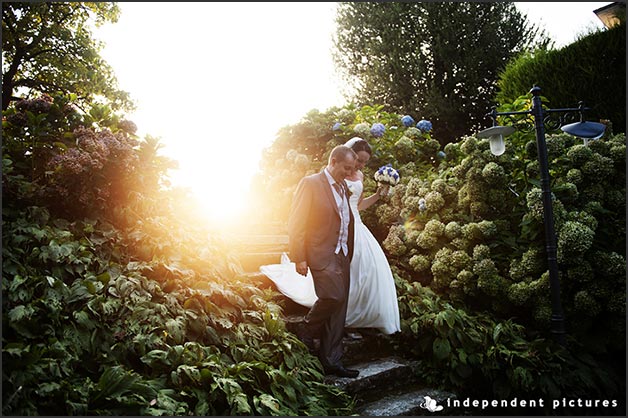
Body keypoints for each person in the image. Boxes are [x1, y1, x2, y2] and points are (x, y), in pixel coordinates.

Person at [261, 138, 400, 334]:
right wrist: (300, 255)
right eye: (358, 160)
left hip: (354, 229)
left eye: (363, 163)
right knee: (333, 290)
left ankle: (351, 316)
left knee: (365, 272)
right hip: (329, 237)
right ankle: (314, 327)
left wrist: (378, 195)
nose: (358, 167)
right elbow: (300, 221)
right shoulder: (324, 180)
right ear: (341, 158)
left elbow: (357, 206)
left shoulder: (356, 176)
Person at [286, 145, 359, 378]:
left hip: (342, 254)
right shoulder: (311, 183)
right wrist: (299, 257)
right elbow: (296, 222)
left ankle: (331, 360)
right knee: (333, 296)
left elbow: (346, 219)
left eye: (352, 169)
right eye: (346, 168)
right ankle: (307, 329)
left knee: (340, 311)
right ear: (334, 161)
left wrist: (349, 252)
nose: (349, 173)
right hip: (320, 253)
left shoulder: (344, 186)